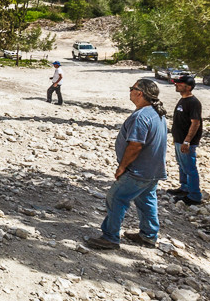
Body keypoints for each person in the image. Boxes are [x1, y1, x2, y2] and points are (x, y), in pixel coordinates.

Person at [84, 78, 169, 251]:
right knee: (146, 200)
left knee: (116, 198)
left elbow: (135, 145)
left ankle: (110, 237)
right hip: (153, 170)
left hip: (138, 170)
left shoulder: (141, 116)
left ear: (140, 93)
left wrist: (122, 166)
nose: (130, 91)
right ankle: (148, 235)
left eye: (132, 88)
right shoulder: (157, 114)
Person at [166, 74, 203, 206]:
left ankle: (194, 196)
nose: (176, 85)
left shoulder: (193, 102)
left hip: (186, 142)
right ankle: (184, 188)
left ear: (188, 87)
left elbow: (195, 123)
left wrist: (187, 141)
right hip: (179, 140)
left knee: (190, 168)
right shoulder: (183, 100)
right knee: (182, 165)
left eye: (180, 84)